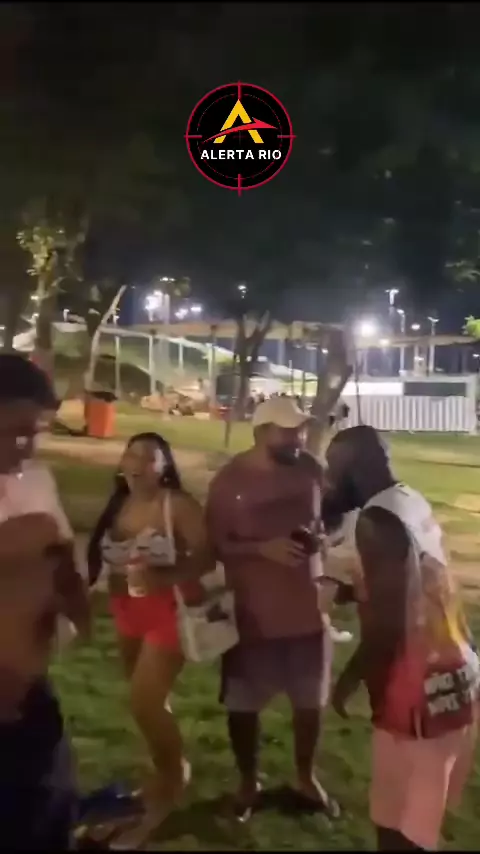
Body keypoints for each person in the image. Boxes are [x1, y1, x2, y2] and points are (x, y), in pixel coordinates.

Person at [326, 425, 479, 851]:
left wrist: (353, 680)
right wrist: (355, 590)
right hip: (456, 670)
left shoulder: (376, 520)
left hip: (418, 685)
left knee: (402, 829)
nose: (329, 480)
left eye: (334, 469)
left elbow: (391, 620)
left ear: (359, 468)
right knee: (411, 817)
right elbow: (417, 581)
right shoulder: (408, 498)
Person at [206, 396, 339, 820]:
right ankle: (248, 782)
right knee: (243, 706)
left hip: (309, 612)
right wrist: (261, 549)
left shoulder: (311, 469)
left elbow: (324, 520)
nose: (298, 437)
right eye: (288, 431)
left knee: (310, 702)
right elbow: (216, 545)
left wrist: (322, 539)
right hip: (253, 617)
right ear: (262, 432)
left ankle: (305, 777)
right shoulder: (230, 481)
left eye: (300, 429)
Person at [87, 432, 213, 848]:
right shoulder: (119, 503)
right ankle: (164, 772)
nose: (137, 463)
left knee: (145, 702)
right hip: (126, 612)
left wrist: (165, 576)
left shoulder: (176, 505)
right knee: (149, 704)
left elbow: (207, 555)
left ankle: (172, 782)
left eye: (149, 457)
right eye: (131, 454)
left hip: (169, 612)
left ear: (164, 466)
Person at [0, 352, 90, 849]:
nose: (28, 446)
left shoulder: (35, 480)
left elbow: (63, 554)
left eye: (36, 432)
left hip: (31, 697)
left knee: (47, 818)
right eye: (15, 431)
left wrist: (74, 599)